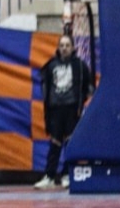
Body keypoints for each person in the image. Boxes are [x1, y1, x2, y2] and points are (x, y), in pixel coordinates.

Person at [37, 35, 94, 189]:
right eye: (62, 45)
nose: (64, 48)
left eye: (67, 45)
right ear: (58, 47)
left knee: (70, 142)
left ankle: (67, 174)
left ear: (73, 47)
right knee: (54, 142)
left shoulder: (80, 65)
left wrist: (82, 100)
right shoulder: (51, 65)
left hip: (72, 108)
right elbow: (45, 84)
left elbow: (89, 85)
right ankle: (49, 176)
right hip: (55, 108)